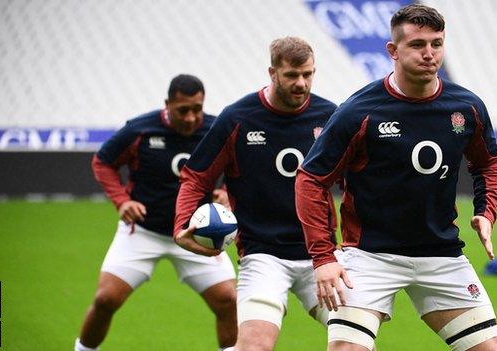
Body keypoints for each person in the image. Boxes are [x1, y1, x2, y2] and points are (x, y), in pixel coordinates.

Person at [295, 4, 497, 351]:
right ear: (393, 50)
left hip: (441, 255)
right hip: (370, 256)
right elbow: (310, 179)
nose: (429, 54)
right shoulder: (359, 112)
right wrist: (323, 257)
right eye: (418, 45)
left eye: (436, 44)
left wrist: (486, 211)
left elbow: (489, 162)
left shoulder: (466, 107)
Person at [174, 37, 337, 351]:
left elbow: (358, 181)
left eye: (308, 74)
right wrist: (182, 224)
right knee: (254, 347)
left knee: (357, 341)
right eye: (292, 75)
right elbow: (196, 177)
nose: (301, 83)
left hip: (321, 255)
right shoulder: (238, 117)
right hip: (263, 256)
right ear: (272, 72)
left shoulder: (330, 116)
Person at [75, 75, 237, 351]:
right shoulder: (140, 129)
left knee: (228, 301)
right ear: (168, 104)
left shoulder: (215, 129)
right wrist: (121, 201)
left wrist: (226, 192)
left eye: (197, 109)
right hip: (143, 231)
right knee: (106, 299)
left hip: (197, 234)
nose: (190, 117)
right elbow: (102, 162)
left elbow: (237, 166)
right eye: (183, 110)